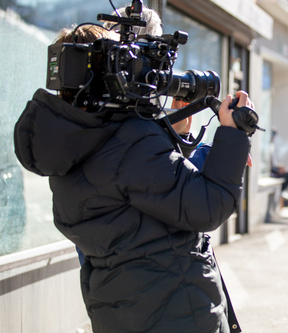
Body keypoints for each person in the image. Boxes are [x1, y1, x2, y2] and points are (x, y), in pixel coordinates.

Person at [14, 23, 252, 333]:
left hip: (119, 311)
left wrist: (174, 138)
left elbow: (147, 199)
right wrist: (232, 135)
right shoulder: (128, 141)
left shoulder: (71, 145)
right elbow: (208, 206)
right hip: (175, 313)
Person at [270, 128, 288, 199]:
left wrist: (280, 166)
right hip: (272, 171)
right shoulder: (268, 147)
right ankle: (282, 190)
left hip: (275, 169)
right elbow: (270, 164)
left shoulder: (271, 146)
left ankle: (282, 190)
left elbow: (273, 162)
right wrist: (278, 169)